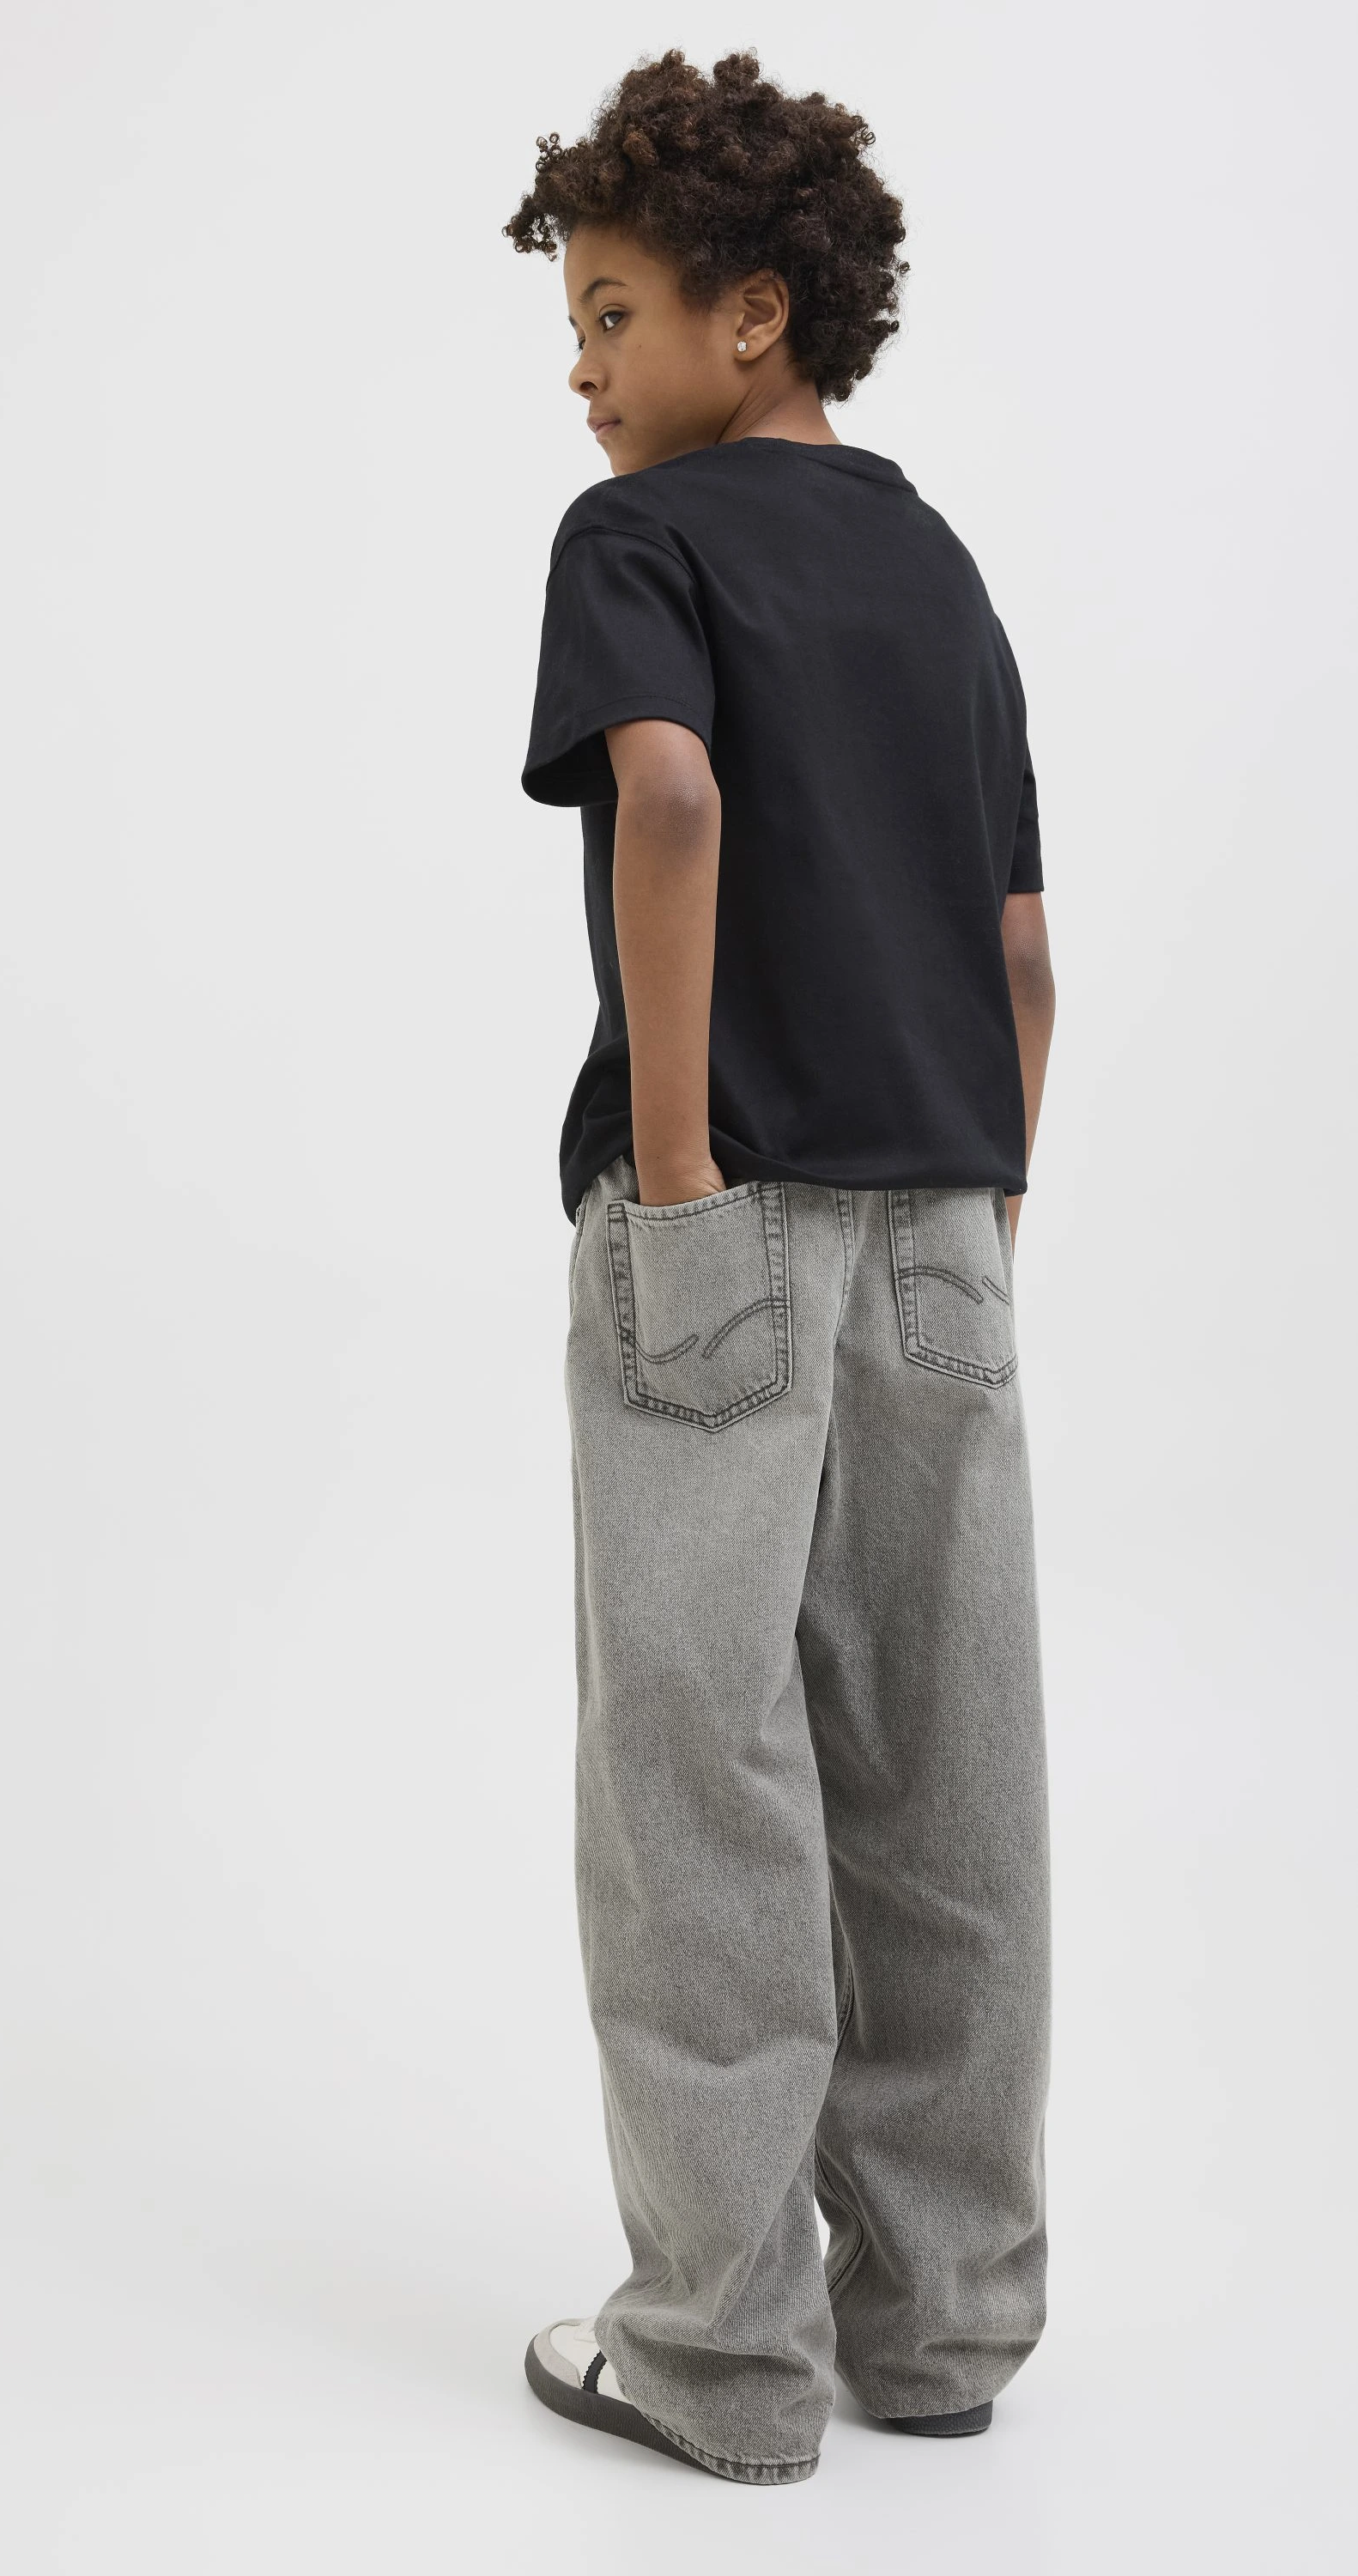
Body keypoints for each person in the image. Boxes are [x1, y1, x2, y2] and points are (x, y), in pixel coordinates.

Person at [505, 52, 1058, 2488]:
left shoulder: (637, 538)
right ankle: (941, 2330)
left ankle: (721, 2358)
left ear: (754, 314)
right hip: (950, 1222)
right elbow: (1024, 950)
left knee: (698, 1781)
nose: (583, 365)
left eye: (613, 311)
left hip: (722, 1213)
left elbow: (672, 795)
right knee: (945, 1774)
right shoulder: (941, 570)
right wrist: (982, 1217)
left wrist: (678, 1170)